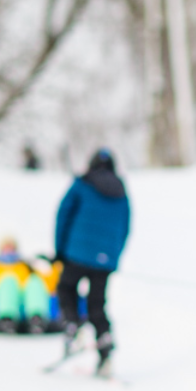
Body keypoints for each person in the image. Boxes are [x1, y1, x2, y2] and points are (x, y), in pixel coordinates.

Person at [53, 148, 131, 376]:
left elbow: (63, 215)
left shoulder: (82, 184)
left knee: (66, 287)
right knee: (97, 304)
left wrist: (60, 251)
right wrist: (113, 257)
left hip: (76, 253)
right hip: (104, 260)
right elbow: (126, 226)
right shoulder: (121, 190)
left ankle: (73, 328)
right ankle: (105, 353)